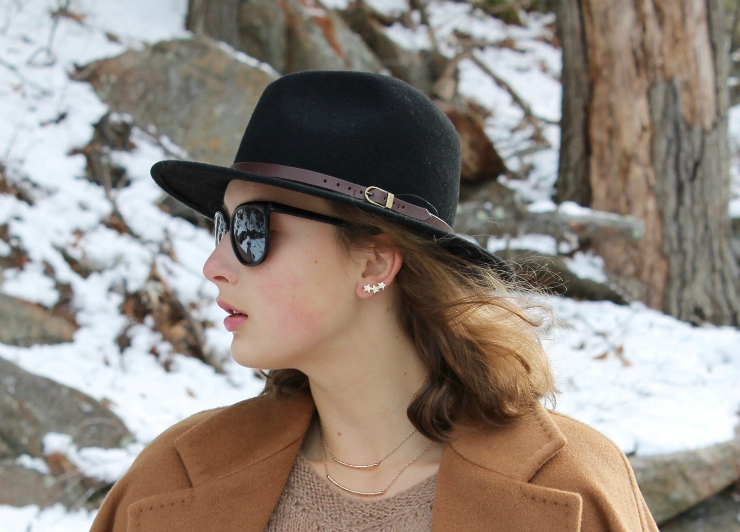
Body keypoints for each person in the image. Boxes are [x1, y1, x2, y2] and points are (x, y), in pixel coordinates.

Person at [90, 70, 659, 531]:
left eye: (252, 231)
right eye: (222, 228)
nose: (215, 267)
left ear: (374, 261)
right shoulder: (173, 478)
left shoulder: (573, 490)